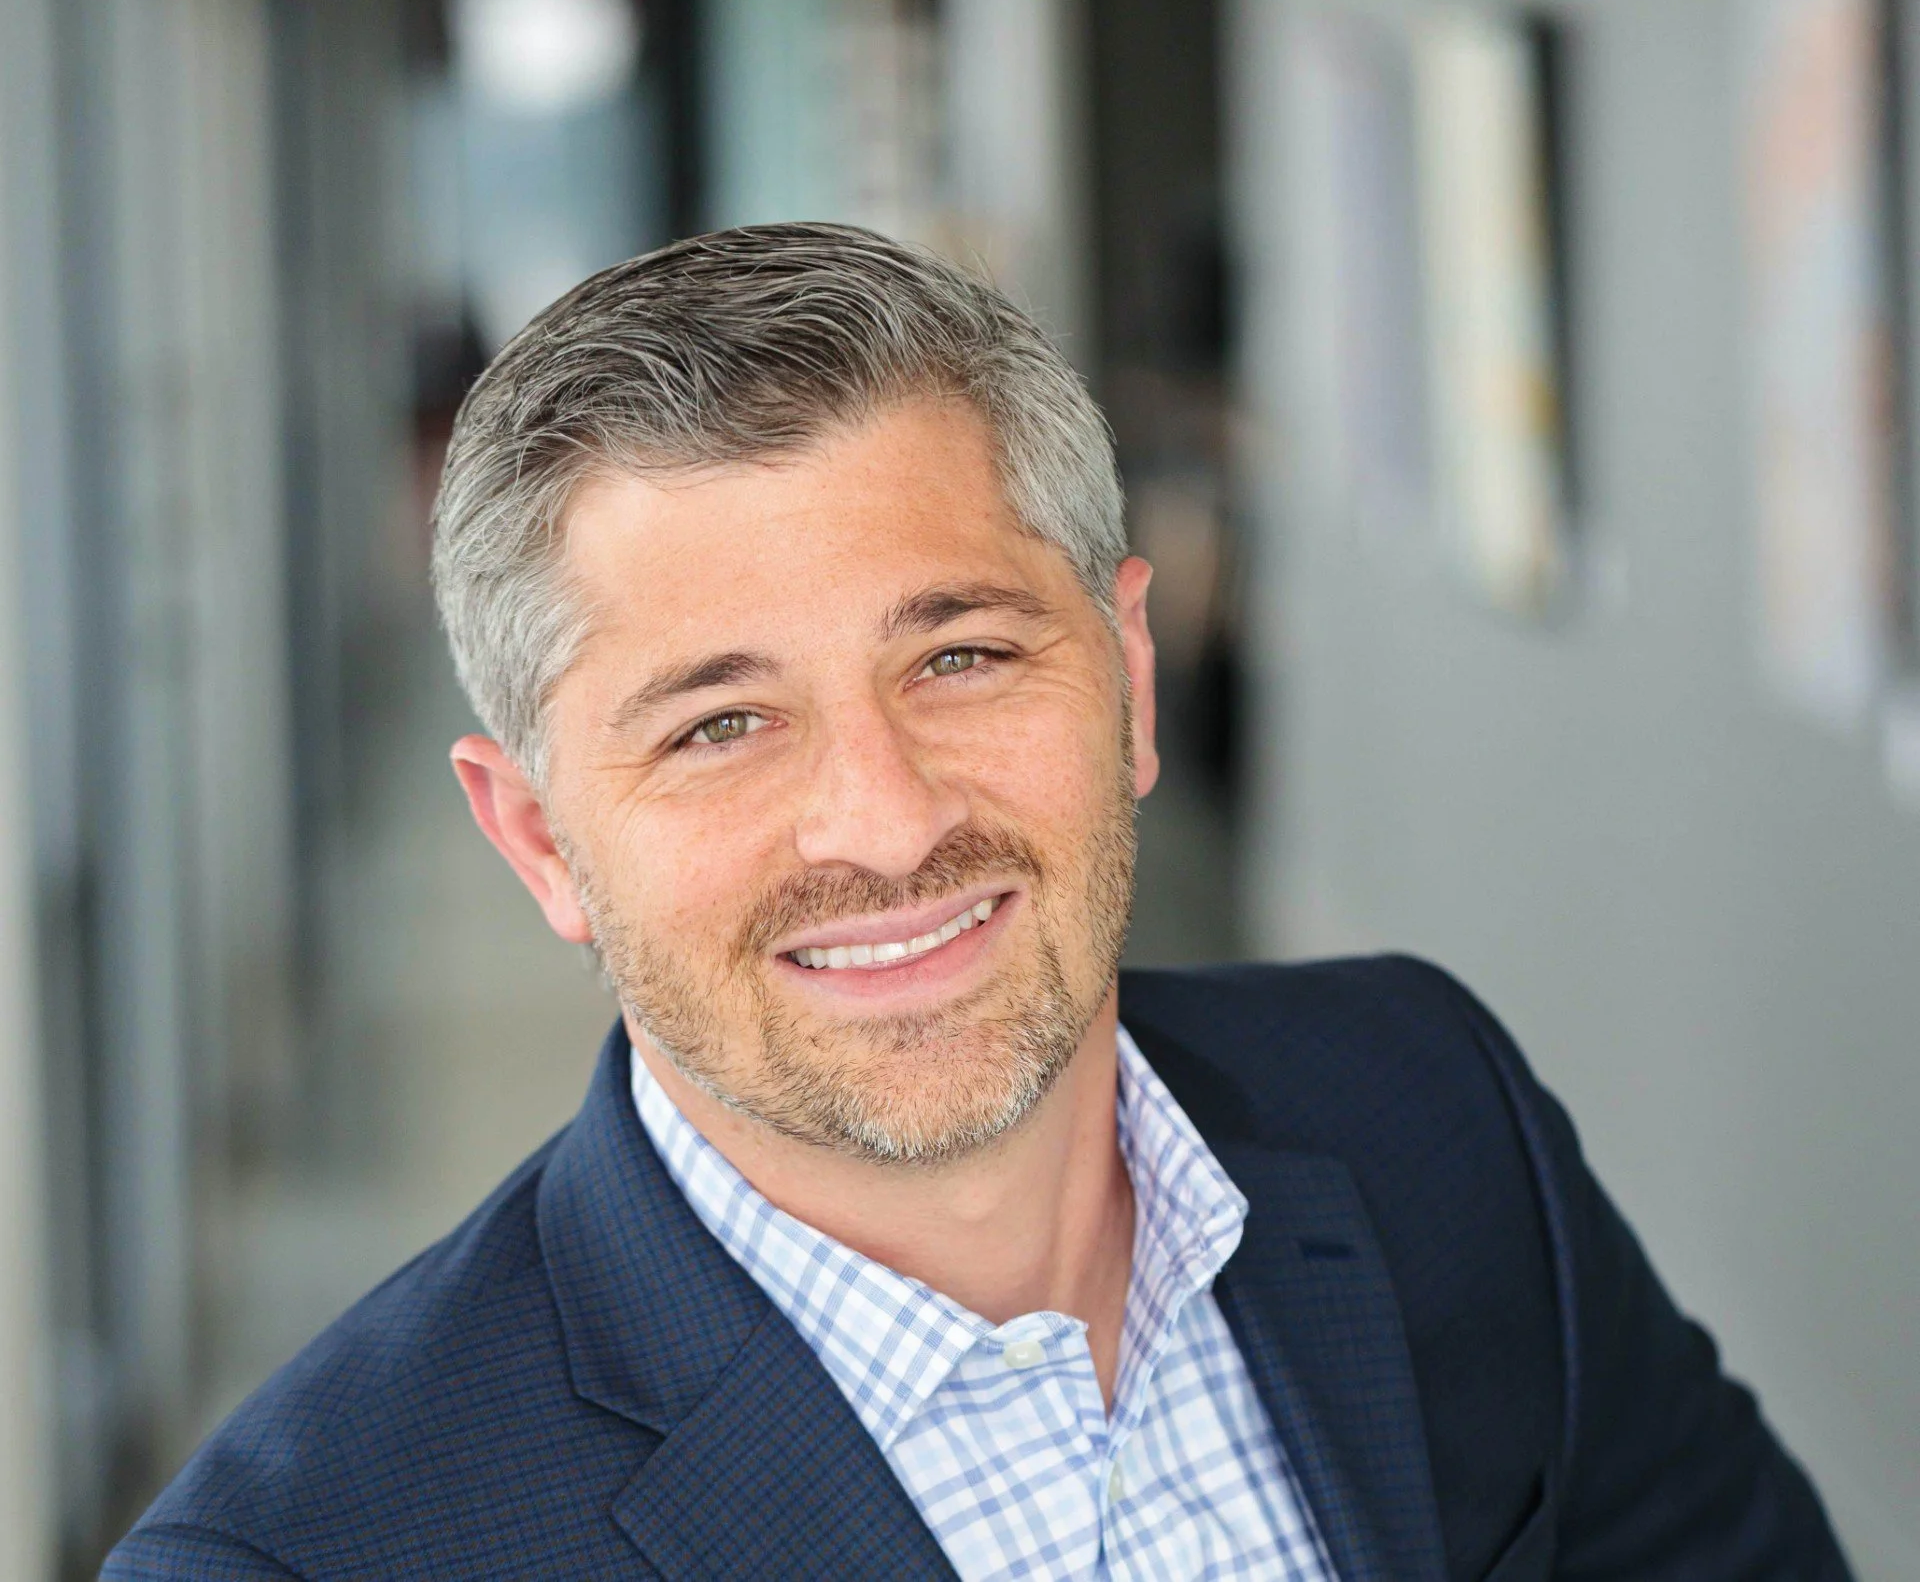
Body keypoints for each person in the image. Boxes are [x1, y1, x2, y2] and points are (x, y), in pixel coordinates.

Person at [108, 224, 1850, 1581]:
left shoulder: (1432, 1113)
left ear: (1130, 679)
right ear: (539, 840)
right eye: (721, 723)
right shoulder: (312, 1554)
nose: (885, 820)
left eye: (961, 655)